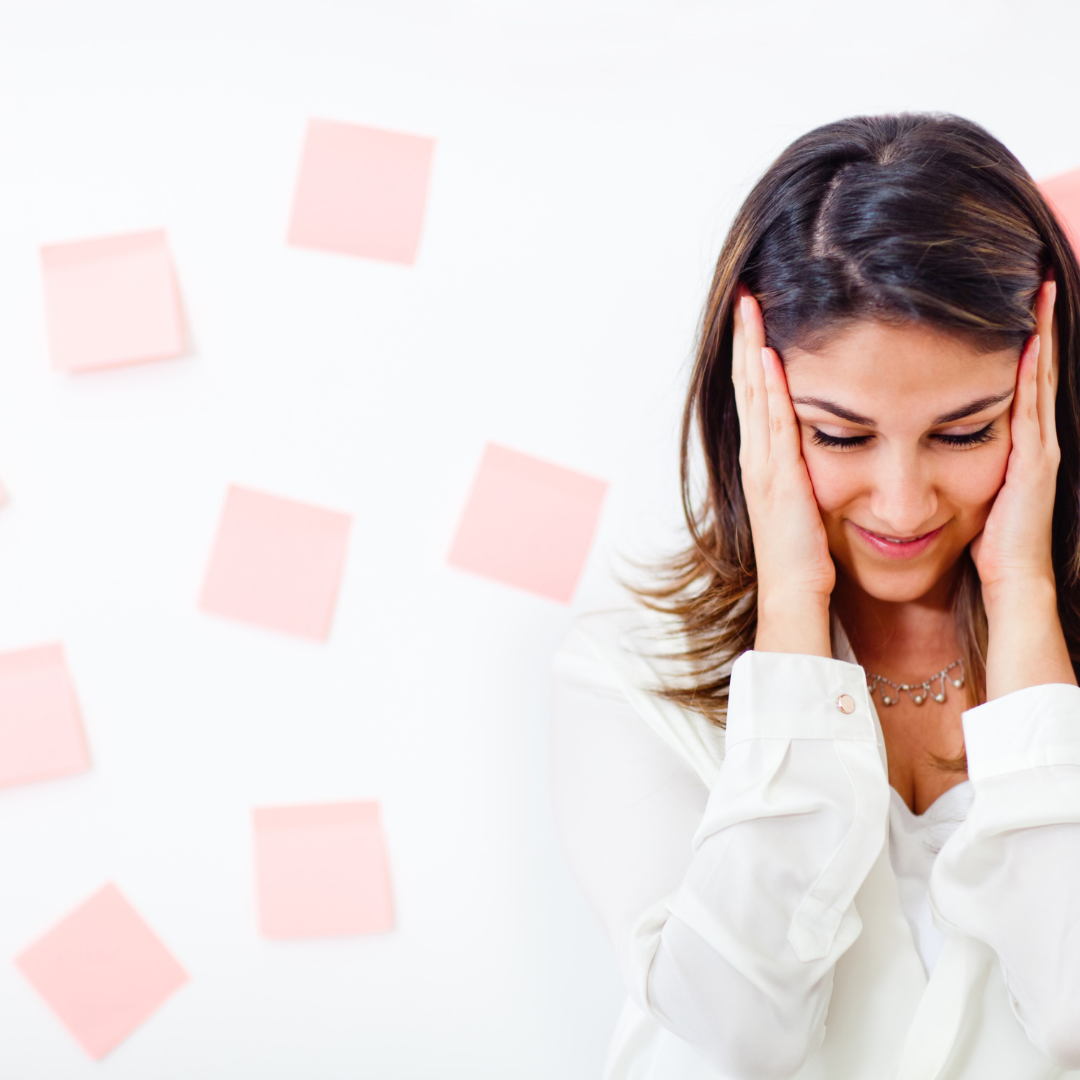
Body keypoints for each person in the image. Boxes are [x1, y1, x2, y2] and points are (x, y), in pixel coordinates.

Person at [551, 113, 1080, 1080]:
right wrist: (792, 605)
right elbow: (739, 1032)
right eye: (839, 436)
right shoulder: (628, 673)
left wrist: (1025, 597)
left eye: (965, 432)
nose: (903, 503)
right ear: (749, 408)